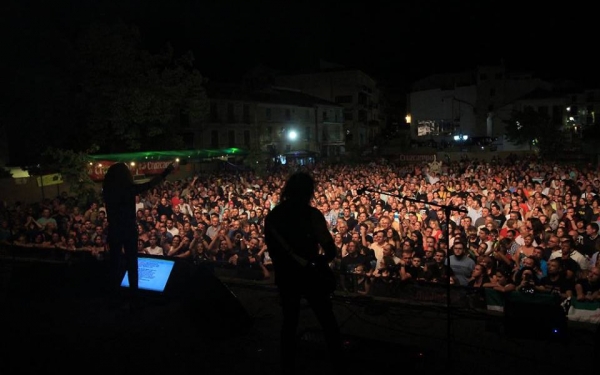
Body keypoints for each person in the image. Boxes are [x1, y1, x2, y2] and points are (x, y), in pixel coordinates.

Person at [264, 171, 343, 375]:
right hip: (310, 275)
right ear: (309, 191)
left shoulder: (272, 217)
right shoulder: (311, 214)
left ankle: (287, 362)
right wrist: (318, 262)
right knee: (326, 317)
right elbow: (330, 248)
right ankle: (337, 360)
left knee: (289, 320)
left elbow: (273, 250)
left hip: (286, 275)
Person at [102, 161, 175, 309]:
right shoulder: (128, 189)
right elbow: (149, 184)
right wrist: (166, 172)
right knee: (132, 263)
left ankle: (114, 296)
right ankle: (133, 297)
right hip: (128, 229)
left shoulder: (107, 190)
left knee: (114, 262)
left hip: (114, 230)